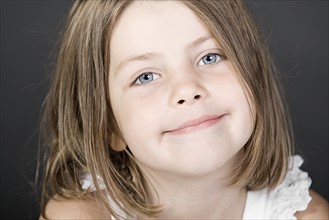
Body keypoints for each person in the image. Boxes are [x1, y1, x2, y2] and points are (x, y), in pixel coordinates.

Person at [39, 0, 328, 219]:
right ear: (109, 126)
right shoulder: (78, 216)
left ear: (254, 76)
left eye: (210, 57)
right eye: (145, 77)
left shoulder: (305, 215)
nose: (187, 89)